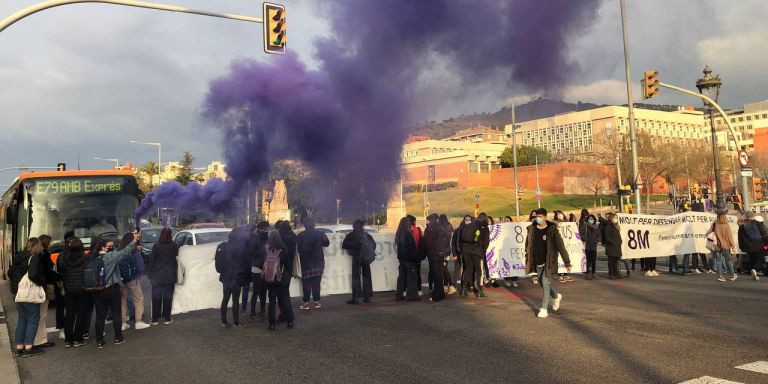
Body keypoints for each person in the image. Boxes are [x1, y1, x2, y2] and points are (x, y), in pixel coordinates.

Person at [91, 232, 141, 349]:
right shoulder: (110, 257)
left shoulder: (92, 257)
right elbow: (125, 252)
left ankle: (99, 341)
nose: (112, 248)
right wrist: (134, 240)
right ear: (103, 247)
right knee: (116, 313)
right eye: (110, 246)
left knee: (100, 316)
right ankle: (118, 337)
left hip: (97, 290)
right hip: (112, 289)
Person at [524, 208, 571, 319]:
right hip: (537, 260)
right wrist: (527, 257)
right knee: (541, 282)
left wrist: (567, 262)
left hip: (548, 261)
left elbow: (561, 246)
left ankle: (544, 308)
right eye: (536, 217)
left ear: (545, 217)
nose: (537, 219)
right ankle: (556, 296)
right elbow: (528, 245)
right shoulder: (532, 229)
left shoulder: (552, 230)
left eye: (540, 217)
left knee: (545, 282)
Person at [10, 237, 47, 357]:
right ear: (37, 246)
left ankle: (19, 347)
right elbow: (33, 275)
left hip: (19, 293)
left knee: (22, 320)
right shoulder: (34, 258)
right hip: (30, 294)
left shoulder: (17, 257)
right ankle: (29, 347)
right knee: (33, 319)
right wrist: (42, 282)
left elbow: (9, 273)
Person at [215, 226, 252, 329]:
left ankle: (224, 322)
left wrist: (223, 271)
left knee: (225, 298)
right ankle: (236, 323)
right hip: (237, 277)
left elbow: (218, 264)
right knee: (235, 300)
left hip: (226, 277)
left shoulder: (222, 246)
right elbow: (247, 264)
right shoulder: (242, 248)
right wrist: (247, 278)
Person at [59, 238, 90, 348]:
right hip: (82, 289)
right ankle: (78, 338)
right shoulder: (85, 258)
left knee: (69, 314)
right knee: (81, 314)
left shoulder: (65, 259)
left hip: (69, 289)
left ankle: (68, 340)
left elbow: (62, 272)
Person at [116, 233, 150, 331]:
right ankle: (138, 322)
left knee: (122, 301)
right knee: (138, 299)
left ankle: (122, 324)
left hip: (121, 280)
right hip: (132, 279)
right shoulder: (134, 250)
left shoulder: (119, 250)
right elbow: (140, 266)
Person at [264, 231, 295, 330]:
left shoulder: (266, 249)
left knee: (272, 302)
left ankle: (272, 324)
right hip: (282, 279)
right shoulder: (283, 249)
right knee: (286, 299)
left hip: (270, 279)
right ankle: (290, 321)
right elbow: (288, 264)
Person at [147, 227, 178, 325]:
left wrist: (150, 274)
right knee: (168, 297)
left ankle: (155, 319)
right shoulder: (174, 245)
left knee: (156, 297)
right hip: (170, 276)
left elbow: (151, 261)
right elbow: (176, 258)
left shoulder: (157, 245)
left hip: (157, 276)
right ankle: (167, 318)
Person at [298, 217, 330, 309]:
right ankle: (317, 302)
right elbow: (327, 243)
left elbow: (299, 248)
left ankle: (306, 303)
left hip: (305, 263)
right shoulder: (320, 233)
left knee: (306, 283)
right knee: (317, 282)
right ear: (314, 224)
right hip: (318, 262)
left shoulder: (301, 235)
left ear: (305, 225)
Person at [342, 219, 375, 305]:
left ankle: (355, 298)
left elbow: (344, 245)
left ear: (354, 226)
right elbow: (373, 245)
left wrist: (354, 247)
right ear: (362, 226)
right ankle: (367, 297)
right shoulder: (367, 235)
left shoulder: (351, 235)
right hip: (366, 257)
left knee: (356, 277)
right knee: (366, 276)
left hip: (356, 257)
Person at [33, 235, 56, 349]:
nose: (51, 244)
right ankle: (40, 340)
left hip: (31, 290)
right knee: (42, 314)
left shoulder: (31, 256)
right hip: (43, 287)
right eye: (50, 242)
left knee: (35, 315)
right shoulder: (44, 255)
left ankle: (32, 340)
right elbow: (47, 272)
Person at [460, 213, 489, 298]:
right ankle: (480, 291)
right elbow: (486, 242)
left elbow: (463, 237)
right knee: (479, 271)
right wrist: (482, 253)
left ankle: (464, 289)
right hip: (477, 251)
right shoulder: (484, 227)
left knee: (468, 269)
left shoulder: (469, 225)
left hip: (466, 250)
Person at [424, 213, 450, 302]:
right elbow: (447, 239)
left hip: (433, 254)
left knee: (436, 275)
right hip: (441, 254)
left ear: (431, 220)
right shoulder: (442, 228)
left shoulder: (431, 229)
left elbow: (428, 243)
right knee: (440, 275)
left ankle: (436, 295)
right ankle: (441, 294)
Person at [395, 217, 421, 301]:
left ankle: (399, 294)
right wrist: (416, 258)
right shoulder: (408, 234)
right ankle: (412, 295)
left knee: (402, 277)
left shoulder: (399, 233)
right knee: (412, 277)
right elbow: (411, 248)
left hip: (402, 259)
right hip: (409, 259)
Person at [276, 221, 297, 322]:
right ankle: (287, 316)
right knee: (285, 292)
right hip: (289, 268)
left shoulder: (279, 237)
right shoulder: (293, 236)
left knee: (281, 294)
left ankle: (287, 316)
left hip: (280, 268)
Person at [708, 213, 737, 282]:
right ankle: (732, 275)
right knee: (728, 261)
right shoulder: (726, 225)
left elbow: (708, 233)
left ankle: (720, 276)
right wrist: (733, 246)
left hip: (716, 245)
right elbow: (730, 237)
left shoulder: (714, 224)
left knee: (718, 261)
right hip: (726, 245)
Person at [249, 221, 269, 320]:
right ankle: (252, 312)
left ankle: (262, 311)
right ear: (260, 229)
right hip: (256, 268)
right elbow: (250, 252)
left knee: (263, 291)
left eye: (267, 228)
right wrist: (260, 257)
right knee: (256, 291)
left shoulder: (267, 238)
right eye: (265, 228)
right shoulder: (255, 238)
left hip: (265, 268)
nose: (266, 230)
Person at [743, 212, 766, 280]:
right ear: (753, 216)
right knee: (760, 259)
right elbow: (764, 232)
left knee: (752, 259)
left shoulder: (745, 224)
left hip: (750, 244)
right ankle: (755, 270)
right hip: (758, 244)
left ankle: (754, 274)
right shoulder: (757, 222)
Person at [552, 210, 573, 282]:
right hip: (558, 244)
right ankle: (559, 274)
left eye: (560, 214)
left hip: (567, 243)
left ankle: (566, 274)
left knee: (566, 255)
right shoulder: (554, 223)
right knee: (559, 258)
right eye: (558, 214)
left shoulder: (567, 223)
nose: (560, 215)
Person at [451, 216, 470, 293]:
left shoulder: (472, 230)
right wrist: (454, 254)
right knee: (457, 270)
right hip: (458, 253)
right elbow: (453, 244)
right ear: (463, 220)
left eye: (469, 220)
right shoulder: (457, 231)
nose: (468, 221)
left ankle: (464, 286)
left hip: (467, 254)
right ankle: (454, 286)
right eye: (466, 220)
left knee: (466, 270)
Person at [438, 214, 457, 294]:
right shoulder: (449, 226)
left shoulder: (442, 228)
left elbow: (442, 240)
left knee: (444, 269)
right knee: (444, 268)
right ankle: (446, 286)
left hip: (443, 251)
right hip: (447, 251)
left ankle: (451, 286)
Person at [602, 213, 624, 280]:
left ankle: (616, 272)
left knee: (616, 260)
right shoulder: (608, 226)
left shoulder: (616, 226)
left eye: (616, 218)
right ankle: (611, 274)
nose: (616, 219)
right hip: (611, 247)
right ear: (611, 218)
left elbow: (618, 236)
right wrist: (613, 243)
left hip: (617, 246)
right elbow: (607, 237)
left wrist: (620, 241)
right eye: (615, 218)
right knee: (611, 261)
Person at [579, 214, 600, 280]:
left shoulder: (596, 227)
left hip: (594, 246)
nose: (591, 220)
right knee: (587, 260)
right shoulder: (585, 226)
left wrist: (597, 240)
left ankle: (593, 273)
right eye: (590, 219)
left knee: (593, 261)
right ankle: (587, 273)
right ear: (587, 219)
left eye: (592, 219)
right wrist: (586, 239)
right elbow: (580, 234)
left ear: (594, 220)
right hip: (587, 246)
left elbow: (599, 235)